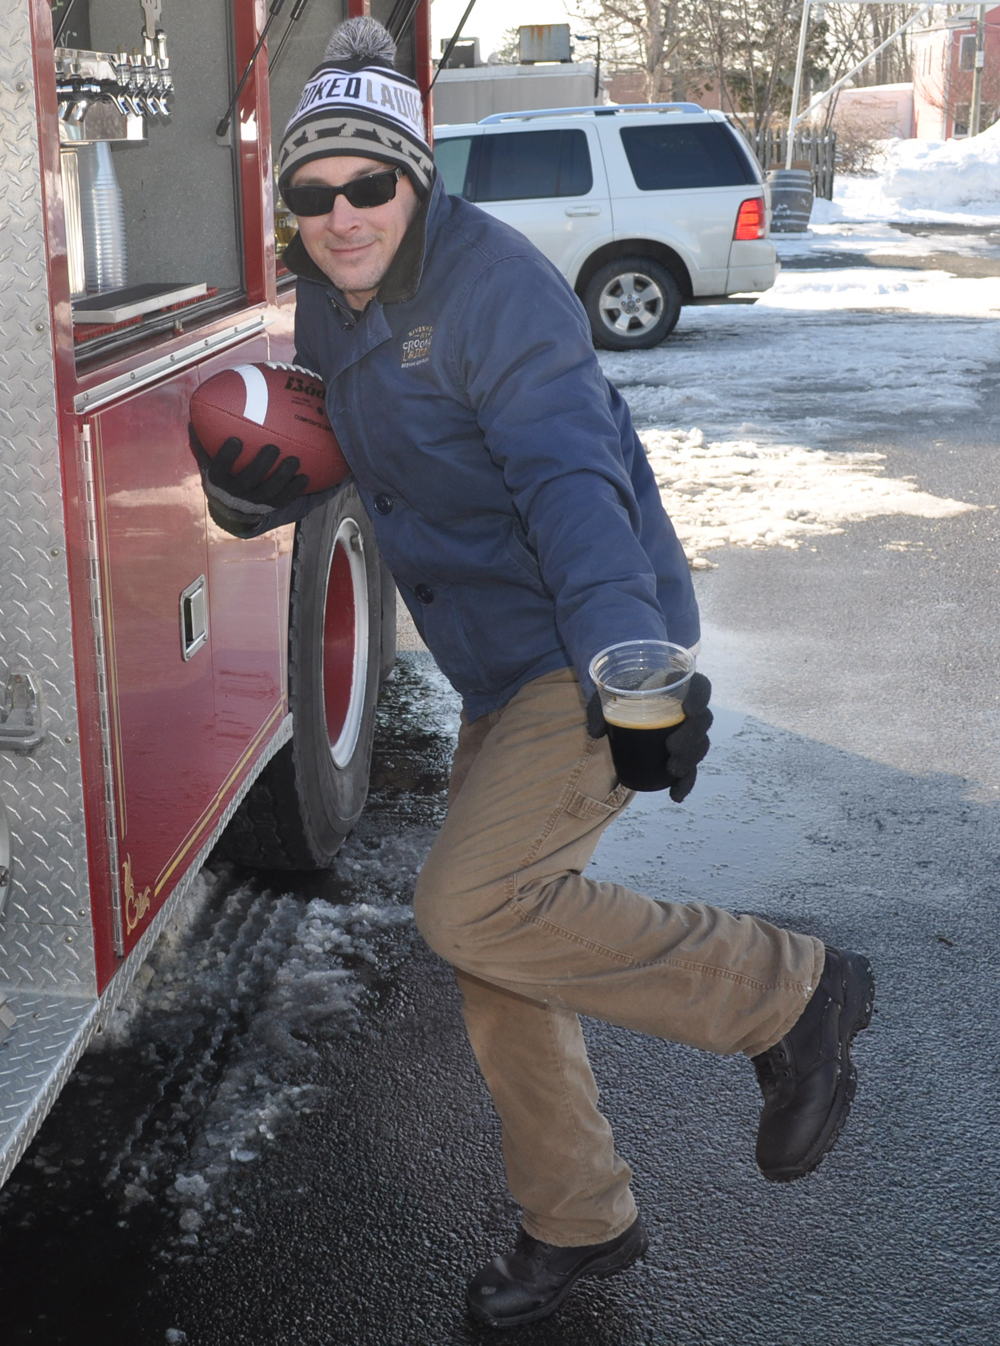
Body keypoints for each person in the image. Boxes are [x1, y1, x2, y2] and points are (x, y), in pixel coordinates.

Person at [191, 18, 875, 1330]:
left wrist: (632, 675)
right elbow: (334, 444)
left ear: (416, 177)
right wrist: (243, 494)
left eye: (369, 184)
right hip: (498, 665)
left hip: (589, 638)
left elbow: (575, 486)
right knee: (501, 951)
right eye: (312, 191)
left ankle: (791, 989)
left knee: (467, 901)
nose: (340, 213)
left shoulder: (496, 295)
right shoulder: (332, 303)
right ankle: (582, 1219)